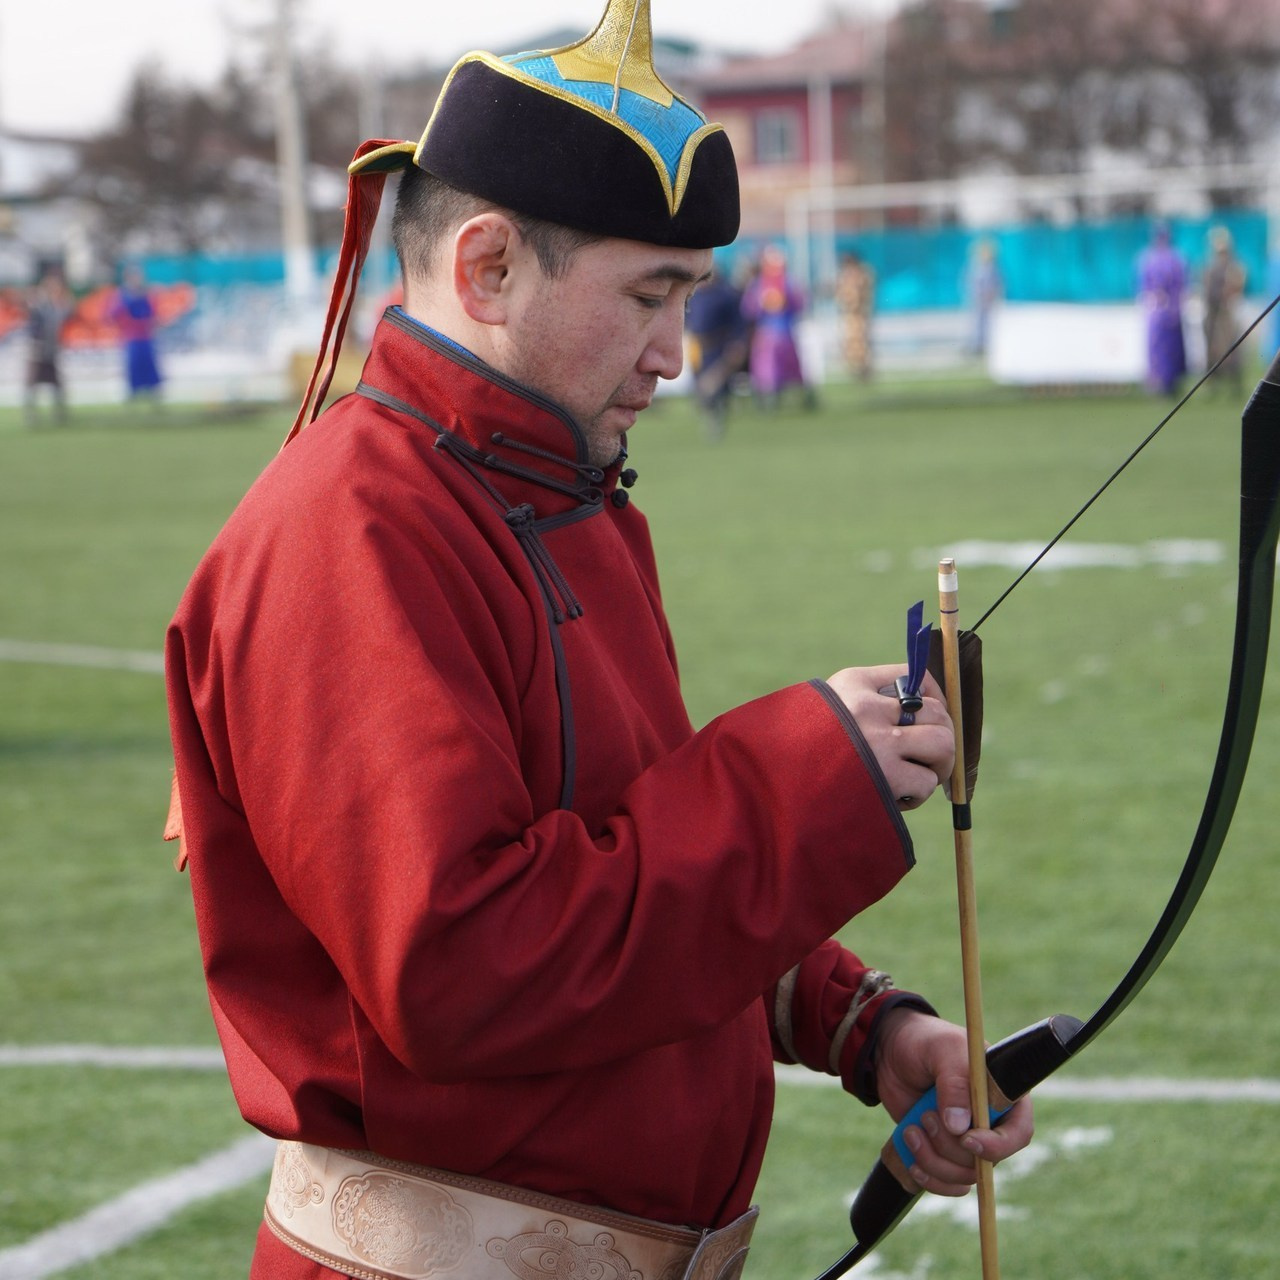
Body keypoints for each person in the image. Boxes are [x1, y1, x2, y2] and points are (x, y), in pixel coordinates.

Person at [164, 4, 1033, 1278]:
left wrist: (861, 1022)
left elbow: (618, 863)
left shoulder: (552, 489)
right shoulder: (351, 526)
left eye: (688, 297)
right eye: (648, 294)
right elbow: (465, 961)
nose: (677, 354)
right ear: (488, 267)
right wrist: (799, 780)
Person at [741, 245, 814, 410]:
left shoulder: (761, 285)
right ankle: (797, 398)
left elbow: (748, 309)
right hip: (782, 333)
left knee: (769, 369)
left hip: (770, 334)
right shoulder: (788, 283)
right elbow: (801, 304)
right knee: (782, 369)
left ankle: (773, 400)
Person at [684, 262, 747, 438]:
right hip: (698, 347)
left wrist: (737, 344)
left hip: (718, 347)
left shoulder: (726, 295)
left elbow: (738, 322)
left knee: (716, 388)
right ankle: (710, 417)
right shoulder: (693, 295)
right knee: (699, 387)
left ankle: (716, 421)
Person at [1137, 222, 1187, 397]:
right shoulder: (1149, 258)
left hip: (1168, 309)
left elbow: (1180, 285)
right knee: (1157, 347)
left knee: (1170, 347)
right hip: (1158, 310)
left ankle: (1170, 382)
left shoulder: (1174, 258)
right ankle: (1158, 382)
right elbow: (1142, 285)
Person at [23, 267, 72, 425]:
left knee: (57, 384)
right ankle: (31, 416)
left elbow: (67, 314)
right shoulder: (38, 307)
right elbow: (33, 325)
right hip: (37, 352)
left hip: (50, 352)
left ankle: (59, 414)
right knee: (32, 385)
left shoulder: (54, 307)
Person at [1201, 225, 1246, 394]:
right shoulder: (1209, 265)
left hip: (1227, 312)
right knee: (1212, 348)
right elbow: (1205, 286)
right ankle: (1212, 383)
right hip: (1213, 312)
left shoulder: (1234, 265)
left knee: (1231, 347)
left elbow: (1237, 286)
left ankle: (1235, 383)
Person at [110, 265, 163, 400]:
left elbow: (153, 313)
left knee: (149, 363)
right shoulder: (123, 294)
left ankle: (153, 390)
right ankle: (134, 391)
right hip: (131, 336)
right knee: (134, 365)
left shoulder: (145, 294)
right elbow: (113, 313)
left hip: (145, 335)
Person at [836, 251, 876, 381]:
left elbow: (859, 293)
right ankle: (856, 369)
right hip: (850, 314)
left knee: (861, 343)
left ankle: (864, 370)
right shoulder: (846, 276)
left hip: (860, 313)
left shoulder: (862, 274)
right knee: (851, 343)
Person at [965, 239, 1002, 360]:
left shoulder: (991, 268)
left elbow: (996, 285)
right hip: (979, 301)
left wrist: (991, 296)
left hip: (987, 302)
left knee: (988, 324)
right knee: (977, 323)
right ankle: (977, 345)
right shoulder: (977, 267)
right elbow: (973, 284)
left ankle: (985, 345)